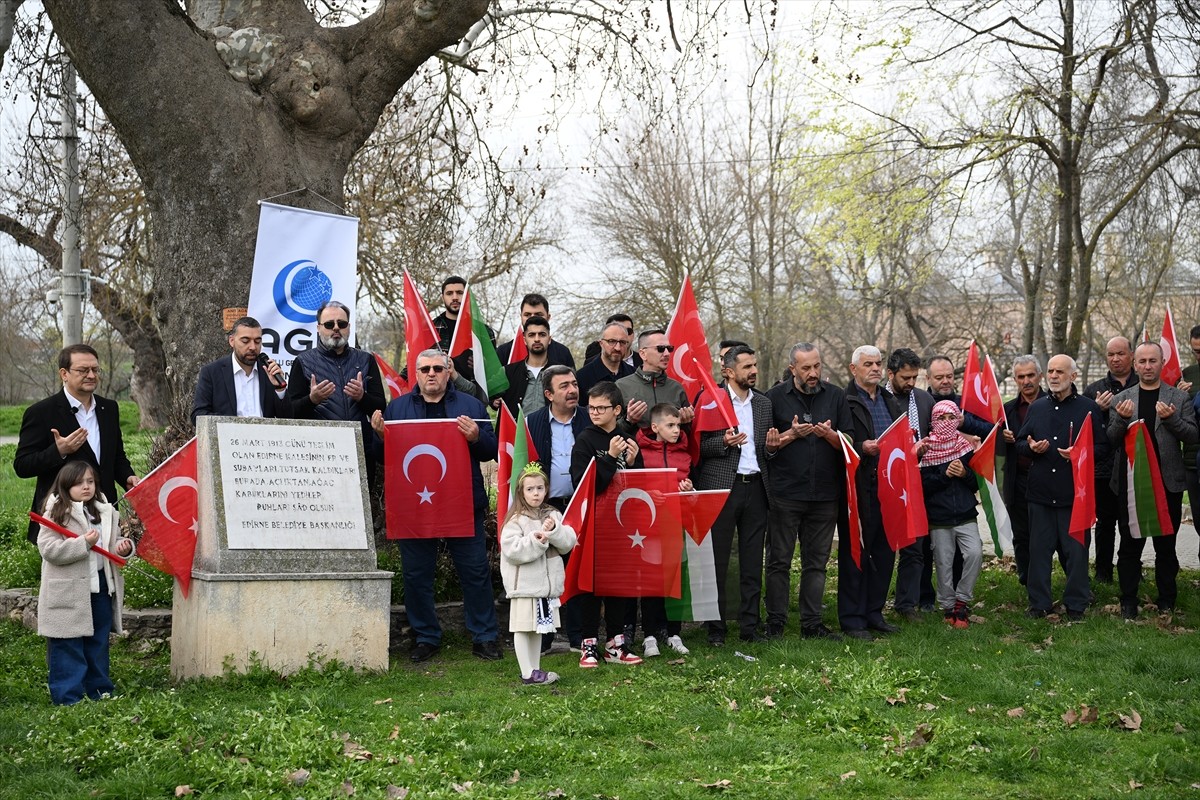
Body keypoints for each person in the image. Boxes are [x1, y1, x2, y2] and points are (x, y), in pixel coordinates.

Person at [370, 349, 503, 662]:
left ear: (448, 371)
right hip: (415, 506)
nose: (431, 374)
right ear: (416, 374)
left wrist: (476, 437)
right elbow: (381, 457)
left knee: (475, 573)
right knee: (417, 576)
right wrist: (380, 436)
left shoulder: (471, 405)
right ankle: (425, 637)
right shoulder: (398, 407)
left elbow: (490, 451)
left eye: (438, 369)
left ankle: (484, 637)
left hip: (463, 503)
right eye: (425, 369)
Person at [764, 342, 851, 639]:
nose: (813, 373)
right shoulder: (774, 398)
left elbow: (849, 443)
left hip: (825, 495)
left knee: (817, 563)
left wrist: (830, 435)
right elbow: (766, 448)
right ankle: (775, 622)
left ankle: (811, 624)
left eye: (816, 366)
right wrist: (790, 435)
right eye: (806, 368)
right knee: (779, 561)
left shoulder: (836, 396)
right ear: (793, 369)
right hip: (785, 494)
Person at [1108, 341, 1198, 617]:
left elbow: (1192, 436)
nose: (1147, 366)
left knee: (1166, 547)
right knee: (1129, 546)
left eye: (1153, 361)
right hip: (1131, 483)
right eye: (1143, 361)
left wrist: (1172, 420)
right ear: (1135, 364)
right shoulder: (1122, 399)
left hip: (1167, 484)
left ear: (1162, 363)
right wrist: (1121, 420)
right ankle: (1128, 600)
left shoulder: (1178, 398)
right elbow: (1111, 439)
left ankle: (1167, 599)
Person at [15, 344, 138, 543]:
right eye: (83, 370)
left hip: (103, 515)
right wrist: (59, 451)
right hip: (63, 520)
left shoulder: (109, 408)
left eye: (95, 370)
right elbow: (22, 465)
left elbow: (116, 457)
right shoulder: (41, 412)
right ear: (64, 374)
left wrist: (127, 477)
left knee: (108, 565)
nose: (91, 375)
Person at [1016, 354, 1107, 620]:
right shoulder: (1037, 408)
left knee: (1076, 553)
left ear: (1073, 376)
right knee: (1039, 552)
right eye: (1051, 371)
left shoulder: (1088, 408)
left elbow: (1103, 448)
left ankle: (1076, 604)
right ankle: (1039, 604)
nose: (1054, 376)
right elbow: (1020, 443)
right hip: (1040, 493)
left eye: (1060, 372)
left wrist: (1080, 453)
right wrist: (1031, 448)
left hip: (1074, 494)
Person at [36, 461, 135, 705]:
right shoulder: (56, 512)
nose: (86, 487)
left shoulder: (104, 511)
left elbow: (112, 543)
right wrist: (83, 544)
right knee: (68, 642)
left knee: (98, 641)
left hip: (101, 585)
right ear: (65, 485)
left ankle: (99, 690)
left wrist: (122, 548)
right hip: (68, 590)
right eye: (79, 483)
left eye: (90, 481)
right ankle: (67, 696)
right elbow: (49, 549)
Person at [695, 345, 771, 645]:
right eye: (746, 367)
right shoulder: (710, 400)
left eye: (754, 365)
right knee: (718, 561)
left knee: (752, 561)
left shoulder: (763, 404)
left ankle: (750, 627)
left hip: (757, 487)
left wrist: (774, 446)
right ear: (728, 371)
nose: (753, 371)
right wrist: (724, 443)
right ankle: (716, 629)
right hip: (723, 488)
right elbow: (698, 448)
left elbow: (766, 450)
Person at [570, 381, 643, 667]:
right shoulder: (585, 440)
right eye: (591, 408)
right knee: (592, 585)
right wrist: (611, 457)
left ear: (617, 410)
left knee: (618, 584)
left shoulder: (627, 438)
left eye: (602, 408)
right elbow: (585, 485)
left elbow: (639, 487)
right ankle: (588, 643)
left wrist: (634, 464)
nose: (595, 413)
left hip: (623, 525)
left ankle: (615, 643)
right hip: (593, 524)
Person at [840, 345, 902, 640]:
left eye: (878, 363)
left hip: (889, 485)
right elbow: (839, 440)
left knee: (884, 551)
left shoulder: (890, 400)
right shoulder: (844, 400)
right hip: (858, 485)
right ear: (854, 369)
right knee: (857, 552)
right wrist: (861, 447)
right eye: (868, 364)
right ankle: (853, 619)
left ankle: (874, 613)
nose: (876, 368)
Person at [525, 366, 588, 652]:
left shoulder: (589, 419)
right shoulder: (531, 423)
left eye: (574, 384)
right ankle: (544, 637)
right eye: (564, 386)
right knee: (545, 573)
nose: (572, 390)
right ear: (549, 394)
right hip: (545, 509)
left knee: (576, 572)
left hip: (580, 506)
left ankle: (578, 636)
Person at [287, 301, 387, 481]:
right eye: (329, 324)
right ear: (318, 328)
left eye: (341, 324)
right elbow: (290, 412)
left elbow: (381, 407)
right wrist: (312, 400)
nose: (336, 328)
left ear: (348, 327)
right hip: (319, 454)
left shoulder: (366, 360)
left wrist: (362, 397)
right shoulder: (303, 362)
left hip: (360, 451)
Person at [499, 465, 577, 686]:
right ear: (521, 492)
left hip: (545, 587)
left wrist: (554, 531)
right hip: (525, 586)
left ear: (546, 489)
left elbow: (567, 543)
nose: (536, 493)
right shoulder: (515, 519)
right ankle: (527, 673)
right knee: (523, 627)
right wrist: (536, 540)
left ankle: (535, 670)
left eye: (540, 488)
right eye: (530, 489)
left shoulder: (553, 514)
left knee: (538, 628)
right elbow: (512, 550)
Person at [631, 403, 694, 656]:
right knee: (651, 581)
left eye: (678, 425)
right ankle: (649, 635)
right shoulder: (642, 453)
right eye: (670, 425)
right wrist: (649, 494)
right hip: (648, 528)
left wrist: (688, 488)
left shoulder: (685, 454)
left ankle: (674, 633)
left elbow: (691, 489)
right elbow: (633, 486)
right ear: (655, 427)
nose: (677, 430)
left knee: (675, 579)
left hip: (676, 524)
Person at [919, 401, 983, 629]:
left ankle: (962, 600)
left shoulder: (966, 447)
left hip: (965, 514)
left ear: (957, 419)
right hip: (939, 518)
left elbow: (977, 483)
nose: (946, 423)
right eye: (941, 418)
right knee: (943, 563)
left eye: (951, 418)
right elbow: (923, 486)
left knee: (975, 554)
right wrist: (945, 475)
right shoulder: (926, 449)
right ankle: (948, 607)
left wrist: (965, 473)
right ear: (933, 422)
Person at [1082, 336, 1137, 583]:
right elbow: (1082, 428)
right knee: (1105, 523)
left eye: (1120, 354)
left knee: (1132, 522)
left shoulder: (1143, 385)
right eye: (1111, 355)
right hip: (1103, 468)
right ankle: (1103, 571)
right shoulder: (1094, 389)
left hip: (1134, 464)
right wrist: (1096, 409)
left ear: (1131, 356)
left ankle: (1131, 567)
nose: (1115, 359)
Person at [885, 348, 935, 621]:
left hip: (917, 481)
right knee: (883, 547)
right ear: (890, 374)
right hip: (887, 481)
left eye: (915, 377)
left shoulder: (924, 399)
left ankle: (906, 604)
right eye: (905, 378)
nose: (911, 383)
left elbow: (935, 434)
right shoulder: (879, 399)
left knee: (915, 548)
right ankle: (875, 601)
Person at [192, 316, 291, 423]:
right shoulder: (212, 372)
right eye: (245, 341)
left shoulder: (269, 371)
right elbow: (199, 415)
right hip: (229, 433)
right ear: (232, 341)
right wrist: (232, 424)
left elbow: (288, 418)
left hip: (265, 433)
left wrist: (280, 389)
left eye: (257, 341)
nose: (252, 347)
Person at [1001, 355, 1046, 585]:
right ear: (1015, 379)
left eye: (1030, 375)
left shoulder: (1053, 403)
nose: (1026, 381)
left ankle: (1070, 580)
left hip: (1048, 479)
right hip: (1017, 480)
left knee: (1053, 534)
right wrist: (1002, 438)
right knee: (1021, 534)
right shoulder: (1007, 410)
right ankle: (1027, 579)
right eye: (1021, 377)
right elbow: (993, 446)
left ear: (1040, 376)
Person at [616, 330, 693, 431]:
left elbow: (688, 432)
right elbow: (608, 429)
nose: (667, 354)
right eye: (660, 349)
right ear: (643, 354)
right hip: (634, 441)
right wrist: (628, 421)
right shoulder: (622, 386)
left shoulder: (676, 388)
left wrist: (686, 422)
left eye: (669, 348)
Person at [431, 275, 496, 385]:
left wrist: (483, 366)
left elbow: (495, 370)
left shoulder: (484, 332)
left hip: (473, 392)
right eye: (449, 293)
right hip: (437, 391)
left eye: (459, 293)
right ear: (443, 298)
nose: (455, 297)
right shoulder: (430, 329)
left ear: (467, 296)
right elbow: (415, 363)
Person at [495, 293, 576, 368]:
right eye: (527, 315)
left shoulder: (562, 353)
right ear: (521, 317)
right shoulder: (504, 352)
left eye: (538, 314)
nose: (532, 318)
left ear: (548, 317)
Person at [497, 316, 554, 415]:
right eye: (531, 335)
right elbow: (490, 396)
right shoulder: (507, 372)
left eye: (542, 335)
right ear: (524, 340)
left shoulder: (560, 372)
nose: (537, 339)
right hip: (516, 425)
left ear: (549, 339)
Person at [1180, 324, 1200, 561]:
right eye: (1196, 351)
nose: (1199, 356)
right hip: (1193, 461)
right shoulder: (1187, 375)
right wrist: (1180, 396)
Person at [576, 321, 636, 399]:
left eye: (622, 342)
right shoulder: (582, 377)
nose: (617, 348)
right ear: (601, 343)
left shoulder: (634, 375)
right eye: (612, 341)